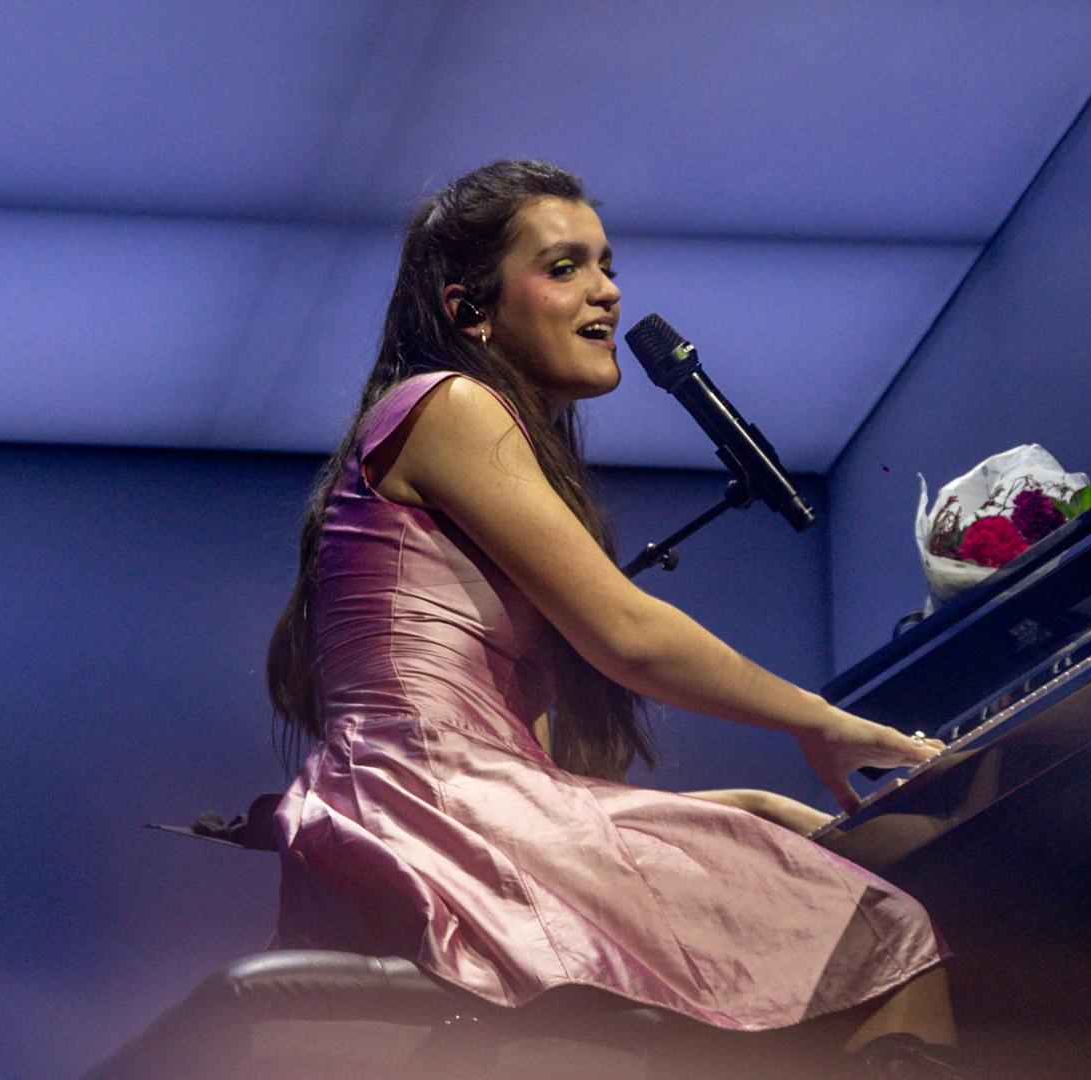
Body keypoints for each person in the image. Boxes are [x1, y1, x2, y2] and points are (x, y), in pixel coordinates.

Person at [266, 160, 964, 1076]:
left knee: (807, 915)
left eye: (606, 265)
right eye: (564, 268)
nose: (607, 292)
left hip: (423, 807)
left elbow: (531, 777)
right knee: (883, 937)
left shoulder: (451, 427)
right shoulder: (450, 403)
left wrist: (743, 808)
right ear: (470, 310)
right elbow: (629, 635)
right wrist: (820, 721)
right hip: (432, 809)